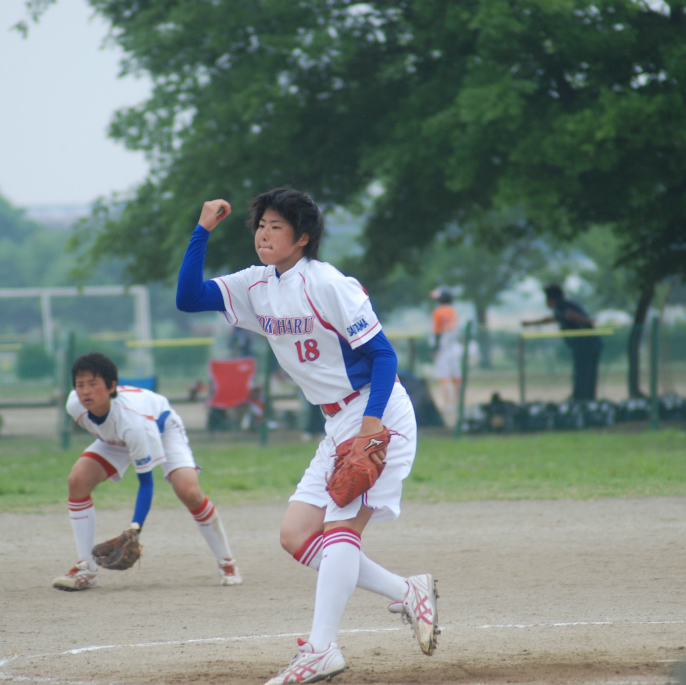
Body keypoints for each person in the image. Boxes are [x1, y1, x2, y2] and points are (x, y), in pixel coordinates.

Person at [177, 188, 439, 684]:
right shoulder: (257, 286)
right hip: (335, 421)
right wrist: (203, 229)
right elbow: (189, 298)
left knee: (341, 529)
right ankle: (409, 593)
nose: (263, 234)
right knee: (296, 536)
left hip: (378, 415)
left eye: (276, 226)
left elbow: (384, 356)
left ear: (302, 237)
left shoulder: (328, 284)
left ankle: (322, 648)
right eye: (260, 226)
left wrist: (371, 424)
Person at [54, 351, 240, 591]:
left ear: (111, 387)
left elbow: (146, 484)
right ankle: (86, 569)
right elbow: (106, 430)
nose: (86, 391)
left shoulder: (135, 424)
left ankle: (226, 561)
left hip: (160, 430)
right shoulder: (74, 405)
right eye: (80, 385)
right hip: (118, 436)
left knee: (188, 492)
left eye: (93, 384)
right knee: (77, 481)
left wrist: (135, 527)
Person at [522, 284, 603, 401]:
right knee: (588, 374)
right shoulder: (563, 306)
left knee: (582, 374)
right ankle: (587, 398)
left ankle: (581, 399)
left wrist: (587, 322)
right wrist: (531, 323)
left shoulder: (560, 305)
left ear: (550, 299)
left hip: (584, 344)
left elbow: (570, 315)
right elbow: (554, 319)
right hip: (591, 344)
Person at [429, 288, 462, 411]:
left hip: (443, 348)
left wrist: (434, 350)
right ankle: (457, 403)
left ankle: (448, 404)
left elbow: (437, 332)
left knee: (444, 377)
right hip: (454, 346)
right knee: (456, 376)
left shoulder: (438, 312)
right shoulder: (453, 311)